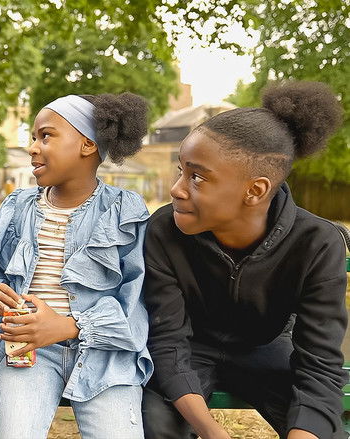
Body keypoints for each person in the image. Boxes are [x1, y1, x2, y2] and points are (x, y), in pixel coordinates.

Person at [142, 81, 347, 439]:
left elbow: (319, 366)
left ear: (255, 191)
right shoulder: (163, 230)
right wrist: (212, 432)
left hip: (268, 350)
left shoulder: (316, 243)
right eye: (181, 170)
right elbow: (168, 342)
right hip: (189, 350)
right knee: (154, 424)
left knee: (321, 427)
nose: (177, 188)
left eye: (197, 177)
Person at [0, 92, 153, 438]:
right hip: (25, 351)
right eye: (33, 137)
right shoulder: (18, 206)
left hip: (105, 355)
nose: (33, 147)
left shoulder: (124, 210)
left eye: (46, 135)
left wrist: (70, 327)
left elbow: (136, 302)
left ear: (86, 145)